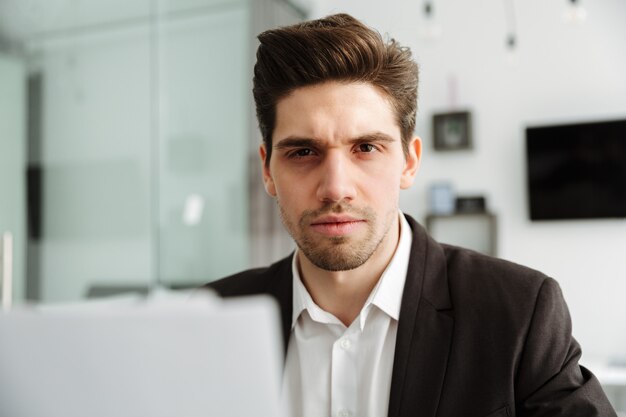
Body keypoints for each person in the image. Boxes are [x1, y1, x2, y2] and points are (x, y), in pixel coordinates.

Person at [204, 13, 617, 417]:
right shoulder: (209, 319)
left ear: (409, 162)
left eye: (366, 148)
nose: (335, 187)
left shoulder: (519, 313)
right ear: (266, 170)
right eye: (302, 152)